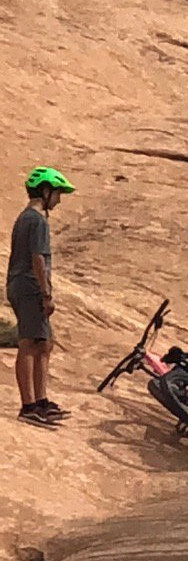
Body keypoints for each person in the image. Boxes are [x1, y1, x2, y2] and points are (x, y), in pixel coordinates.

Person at [6, 167, 75, 429]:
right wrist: (46, 293)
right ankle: (29, 406)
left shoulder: (27, 218)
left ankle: (41, 400)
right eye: (57, 193)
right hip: (30, 286)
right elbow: (37, 258)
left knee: (44, 343)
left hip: (23, 284)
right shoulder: (37, 221)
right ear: (45, 192)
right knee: (30, 343)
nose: (58, 200)